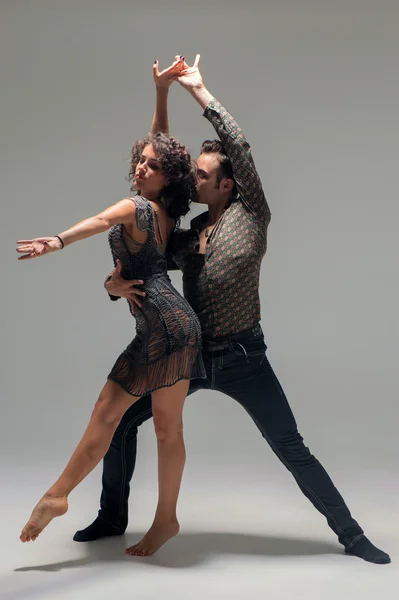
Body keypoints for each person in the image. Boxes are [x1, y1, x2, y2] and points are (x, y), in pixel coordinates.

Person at [74, 54, 391, 565]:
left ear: (227, 183)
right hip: (189, 355)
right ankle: (113, 516)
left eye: (200, 176)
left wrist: (198, 90)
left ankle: (352, 536)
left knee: (291, 446)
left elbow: (238, 146)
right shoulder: (189, 234)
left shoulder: (253, 214)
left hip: (245, 356)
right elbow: (147, 265)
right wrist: (113, 286)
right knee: (122, 424)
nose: (192, 182)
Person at [16, 56, 206, 557]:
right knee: (156, 425)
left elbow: (101, 220)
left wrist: (55, 241)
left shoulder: (136, 208)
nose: (142, 166)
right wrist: (162, 95)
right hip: (174, 324)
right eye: (141, 160)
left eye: (151, 166)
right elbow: (162, 146)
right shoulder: (163, 210)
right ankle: (156, 518)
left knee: (117, 414)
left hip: (165, 325)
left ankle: (66, 497)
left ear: (166, 179)